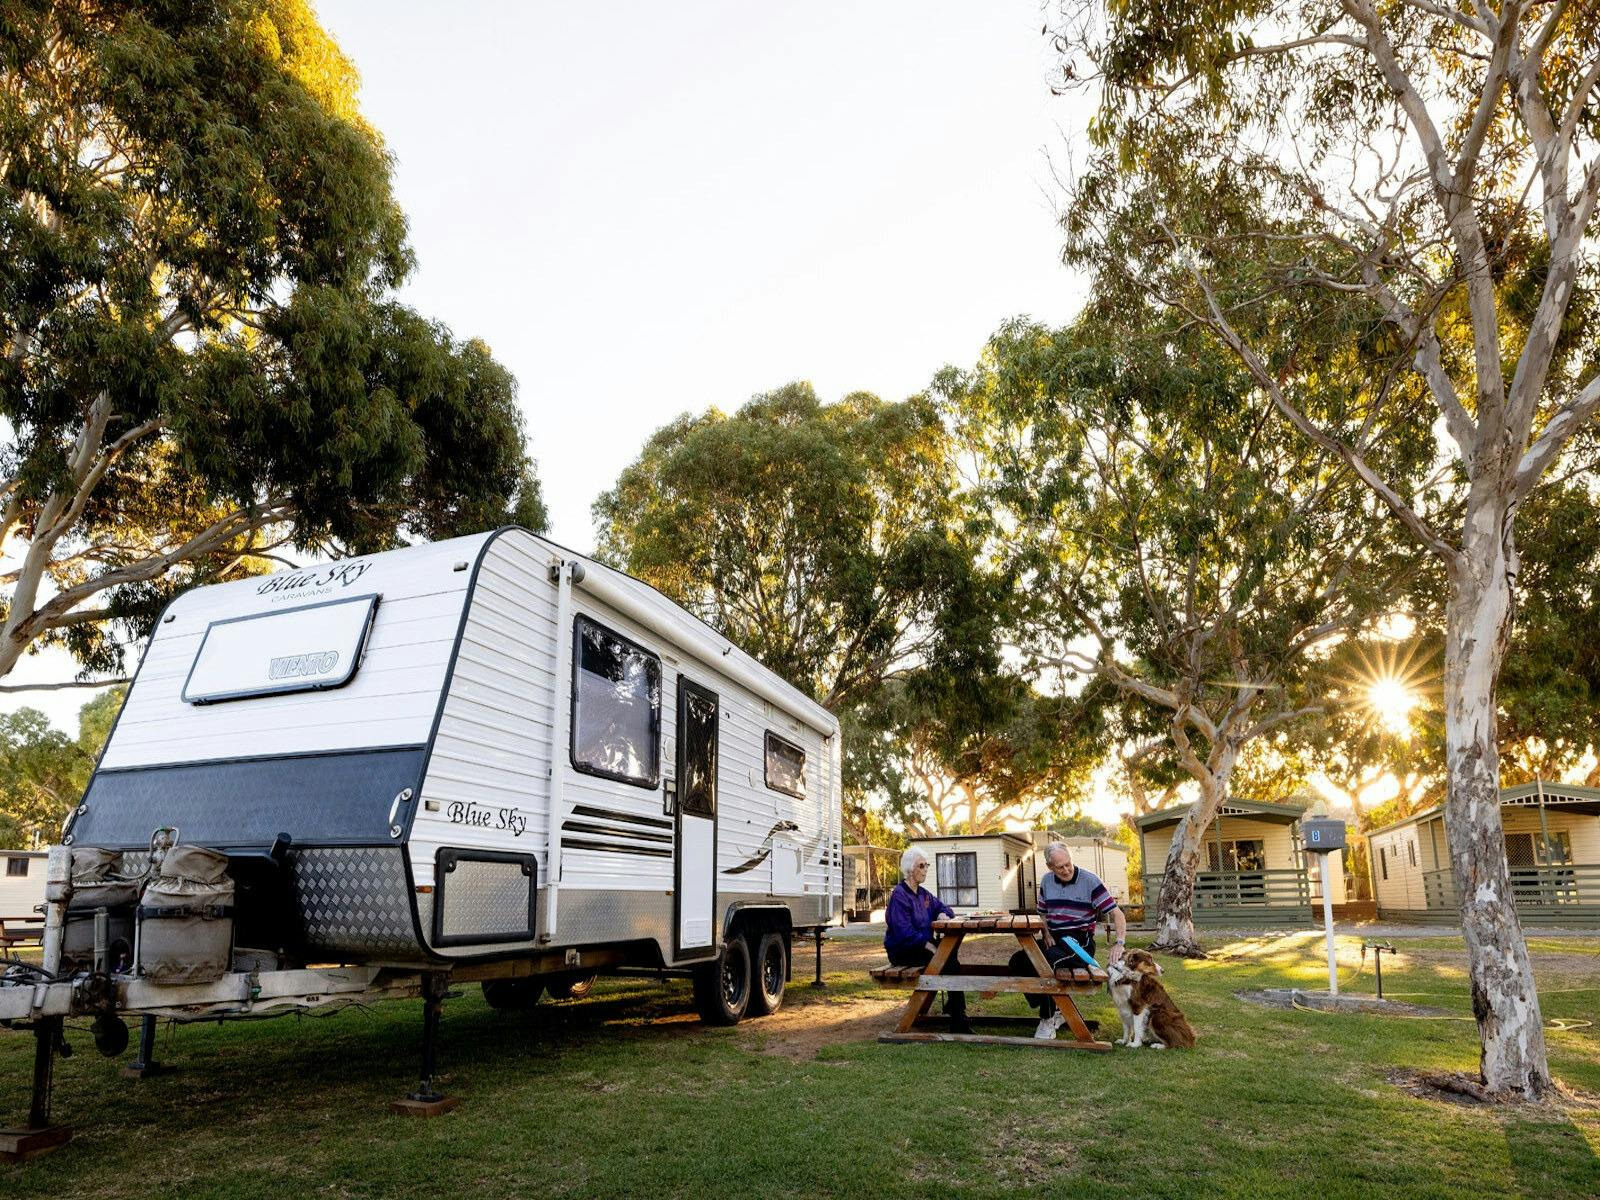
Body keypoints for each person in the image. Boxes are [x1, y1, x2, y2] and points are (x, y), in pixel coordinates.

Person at [1016, 841, 1127, 1039]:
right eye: (1060, 867)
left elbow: (1117, 914)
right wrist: (1047, 933)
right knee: (1018, 961)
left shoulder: (1090, 881)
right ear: (1050, 867)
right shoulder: (1047, 881)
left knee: (1045, 963)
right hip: (1055, 940)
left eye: (1068, 863)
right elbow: (1042, 913)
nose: (1066, 869)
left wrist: (1119, 943)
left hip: (1079, 943)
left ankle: (1048, 1019)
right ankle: (1056, 1008)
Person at [883, 847, 972, 1034]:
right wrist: (930, 945)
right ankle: (958, 1019)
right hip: (903, 951)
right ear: (909, 869)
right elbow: (903, 933)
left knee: (950, 955)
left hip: (923, 946)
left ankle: (956, 1012)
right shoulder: (899, 895)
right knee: (950, 962)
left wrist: (941, 913)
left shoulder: (923, 894)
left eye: (926, 865)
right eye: (921, 866)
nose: (925, 870)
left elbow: (946, 909)